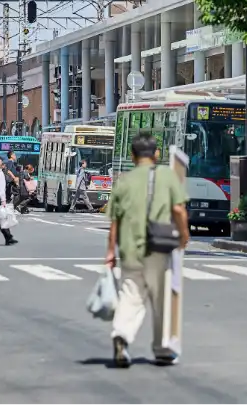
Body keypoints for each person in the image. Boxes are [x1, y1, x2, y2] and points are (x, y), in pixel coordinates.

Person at [105, 132, 189, 367]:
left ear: (132, 156)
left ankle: (121, 335)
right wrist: (184, 236)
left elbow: (115, 221)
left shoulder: (124, 181)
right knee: (161, 299)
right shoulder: (167, 176)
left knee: (131, 295)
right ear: (156, 154)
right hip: (159, 249)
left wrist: (110, 252)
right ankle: (162, 349)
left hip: (130, 249)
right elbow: (180, 211)